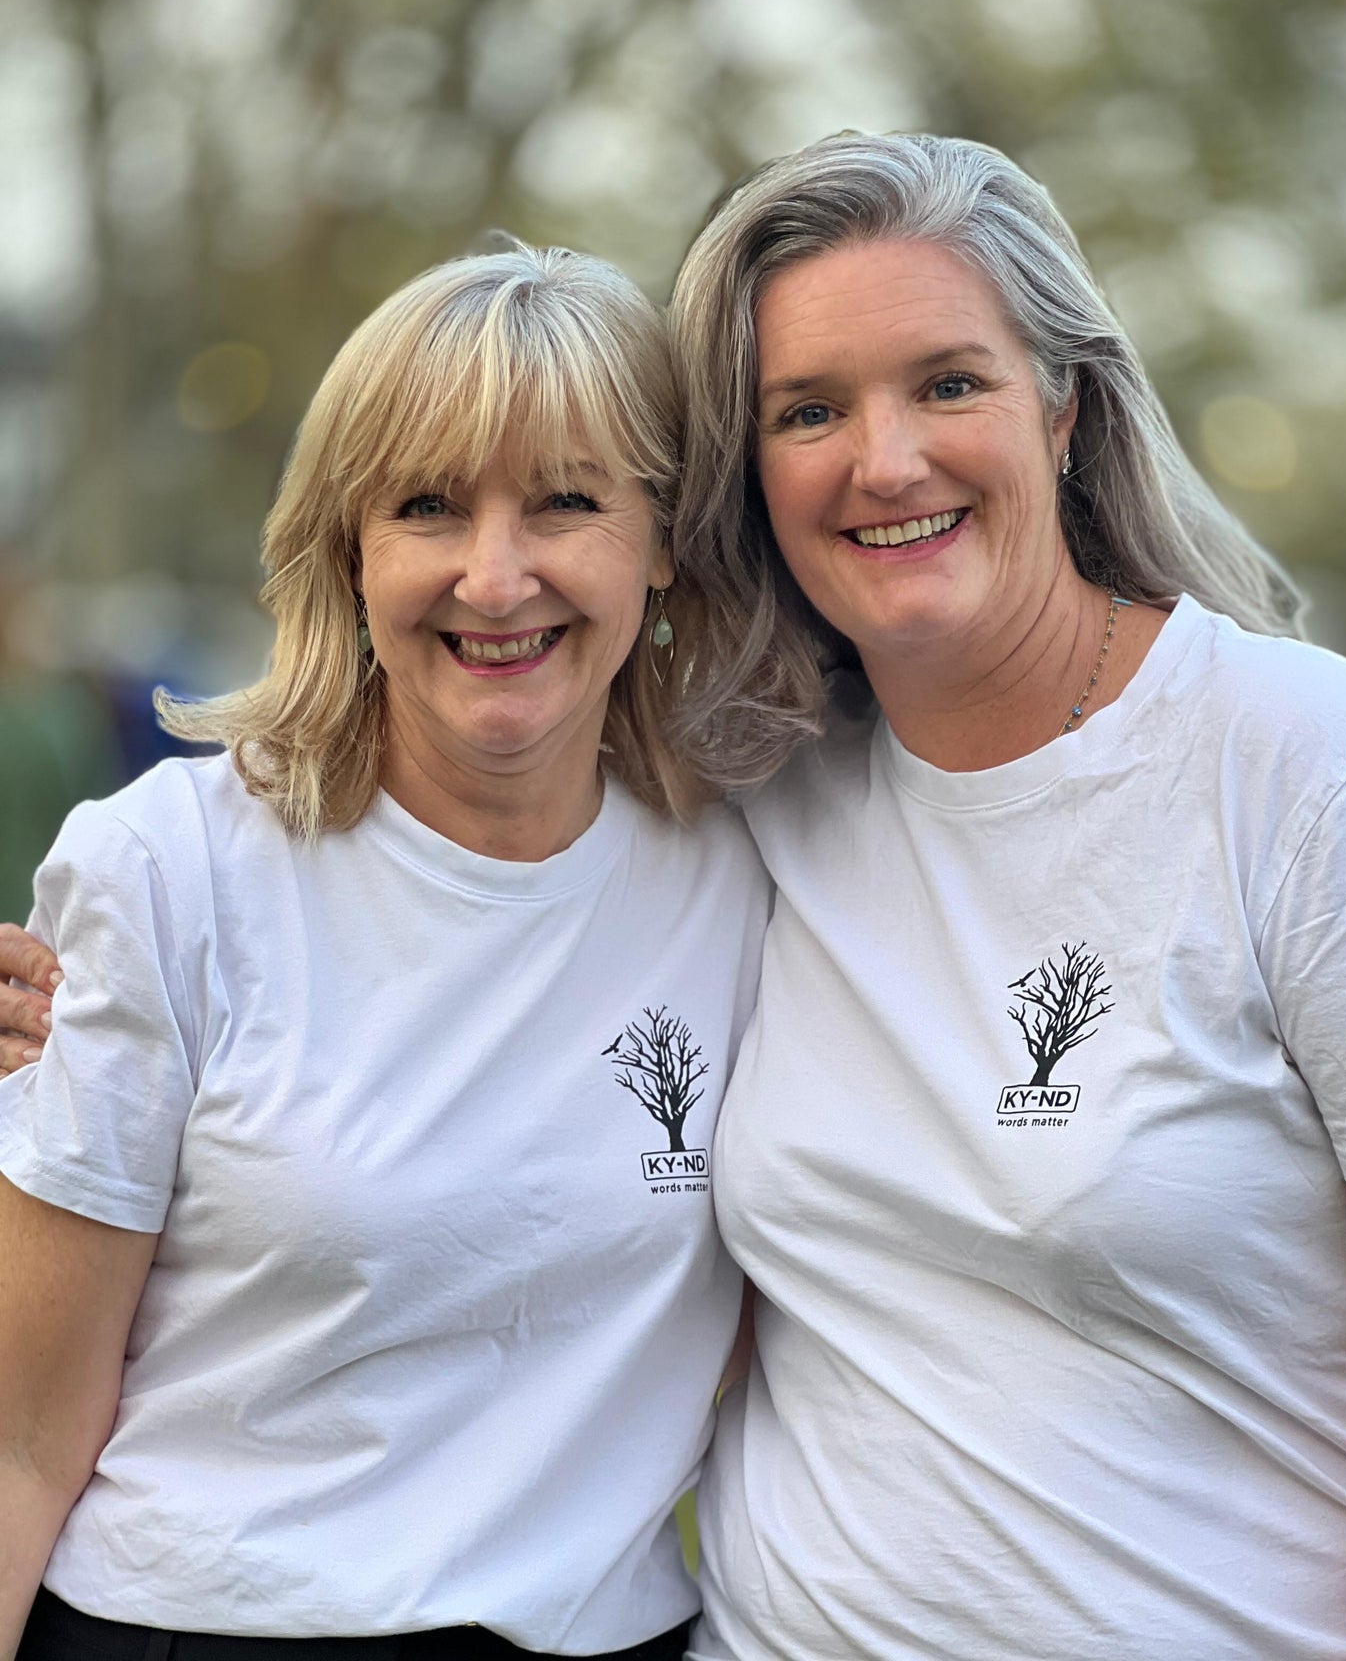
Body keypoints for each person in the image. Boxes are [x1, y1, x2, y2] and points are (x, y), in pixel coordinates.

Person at [662, 132, 1346, 1660]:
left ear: (1064, 405)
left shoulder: (1318, 769)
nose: (883, 461)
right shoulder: (753, 795)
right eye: (807, 411)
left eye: (947, 383)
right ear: (748, 475)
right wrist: (74, 1006)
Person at [0, 244, 770, 1661]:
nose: (495, 574)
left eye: (564, 502)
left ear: (662, 540)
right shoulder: (169, 869)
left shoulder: (756, 872)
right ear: (348, 551)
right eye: (426, 507)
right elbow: (20, 1447)